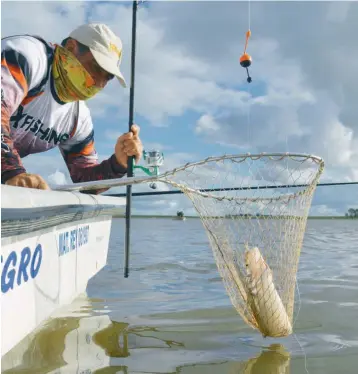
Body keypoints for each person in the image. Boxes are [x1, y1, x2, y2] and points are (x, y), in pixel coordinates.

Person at [1, 22, 143, 192]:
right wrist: (12, 172)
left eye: (108, 77)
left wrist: (118, 164)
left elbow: (84, 180)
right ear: (70, 47)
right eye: (96, 67)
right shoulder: (26, 55)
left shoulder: (79, 119)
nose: (99, 82)